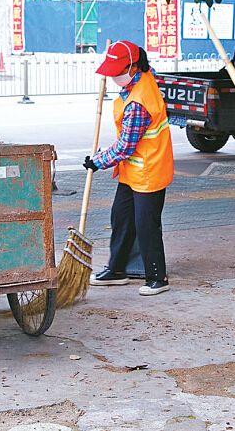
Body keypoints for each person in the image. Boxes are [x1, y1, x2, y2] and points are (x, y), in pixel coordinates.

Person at [84, 40, 174, 296]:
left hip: (149, 170)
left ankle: (157, 277)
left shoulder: (139, 103)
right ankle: (117, 269)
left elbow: (125, 147)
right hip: (132, 171)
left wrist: (97, 161)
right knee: (121, 217)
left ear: (133, 67)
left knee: (146, 224)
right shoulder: (145, 76)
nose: (113, 76)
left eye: (117, 71)